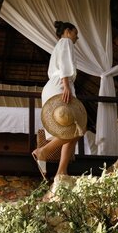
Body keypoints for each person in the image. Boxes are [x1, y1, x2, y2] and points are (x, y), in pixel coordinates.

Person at [32, 20, 81, 179]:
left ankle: (61, 171)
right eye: (75, 33)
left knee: (71, 131)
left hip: (54, 86)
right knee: (77, 128)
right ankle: (43, 151)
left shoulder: (58, 46)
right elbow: (64, 64)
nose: (76, 38)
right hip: (60, 85)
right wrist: (66, 85)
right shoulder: (66, 42)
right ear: (67, 31)